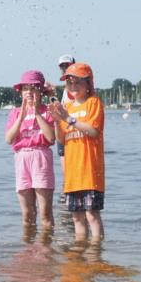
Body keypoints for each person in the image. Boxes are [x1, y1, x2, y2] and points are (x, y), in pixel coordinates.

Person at [49, 63, 105, 240]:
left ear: (88, 83)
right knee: (76, 218)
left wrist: (68, 118)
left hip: (90, 172)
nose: (73, 87)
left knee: (91, 215)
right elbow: (61, 139)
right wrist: (58, 121)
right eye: (69, 83)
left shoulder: (93, 103)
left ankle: (96, 253)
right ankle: (79, 252)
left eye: (77, 82)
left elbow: (93, 130)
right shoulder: (69, 107)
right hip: (73, 175)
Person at [5, 70, 56, 230]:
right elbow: (9, 139)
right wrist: (21, 116)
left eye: (33, 88)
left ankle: (46, 250)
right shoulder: (15, 113)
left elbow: (51, 138)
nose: (29, 92)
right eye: (25, 88)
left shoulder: (47, 110)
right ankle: (28, 248)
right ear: (21, 92)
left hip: (41, 157)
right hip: (21, 159)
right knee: (27, 214)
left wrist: (36, 113)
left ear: (40, 90)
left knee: (45, 214)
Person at [55, 54, 76, 202]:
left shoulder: (76, 86)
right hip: (63, 129)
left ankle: (70, 191)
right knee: (64, 165)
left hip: (73, 130)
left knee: (72, 165)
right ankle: (67, 191)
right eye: (62, 66)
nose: (65, 68)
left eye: (67, 65)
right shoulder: (64, 88)